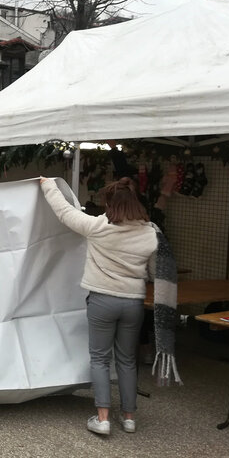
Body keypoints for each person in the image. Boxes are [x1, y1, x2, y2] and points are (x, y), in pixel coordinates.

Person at [39, 176, 159, 436]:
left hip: (102, 301)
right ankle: (129, 417)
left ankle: (102, 418)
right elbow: (153, 272)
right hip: (133, 303)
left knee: (100, 359)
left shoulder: (97, 227)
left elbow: (64, 212)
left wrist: (47, 185)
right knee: (127, 359)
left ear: (110, 204)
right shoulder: (150, 233)